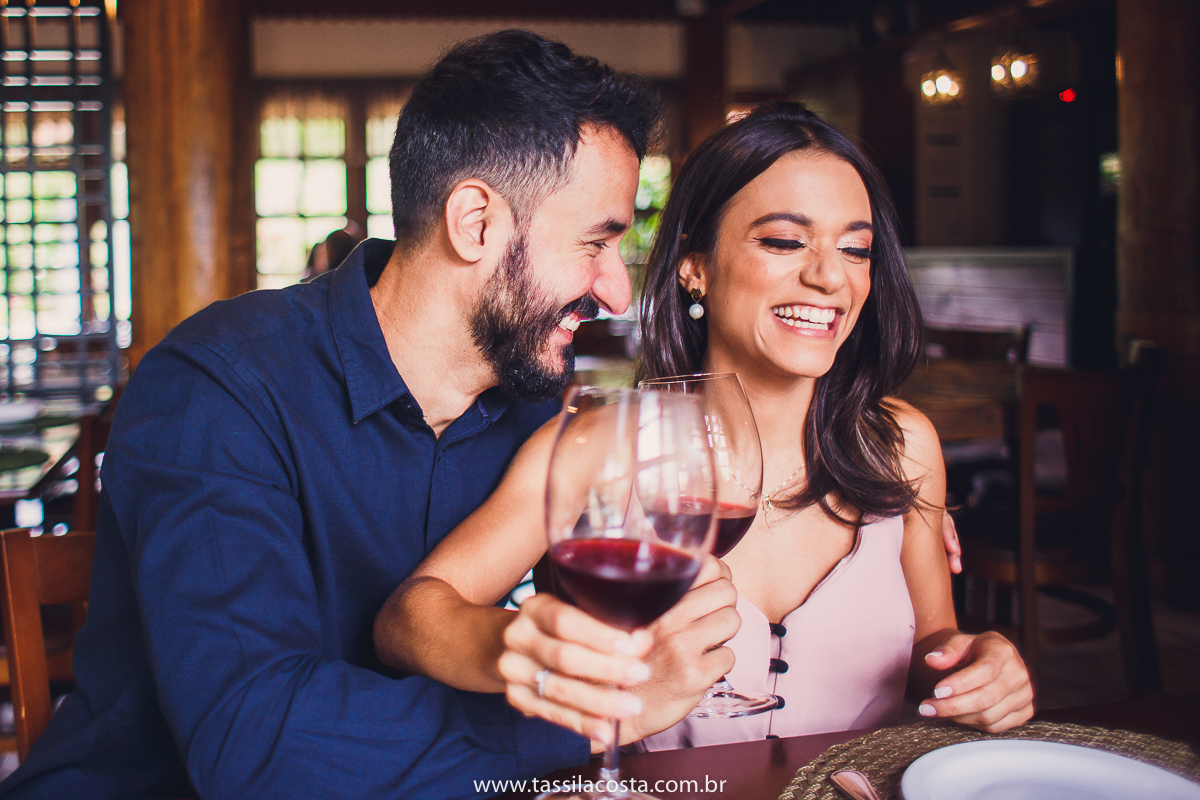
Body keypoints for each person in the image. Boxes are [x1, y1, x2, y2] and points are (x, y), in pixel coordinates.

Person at [0, 30, 690, 800]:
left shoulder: (534, 408)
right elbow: (252, 743)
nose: (617, 292)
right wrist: (586, 718)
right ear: (476, 223)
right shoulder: (219, 387)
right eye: (596, 243)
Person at [373, 102, 1033, 752]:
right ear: (696, 266)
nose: (830, 276)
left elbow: (929, 652)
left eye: (856, 250)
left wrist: (977, 665)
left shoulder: (903, 446)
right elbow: (408, 618)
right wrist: (537, 654)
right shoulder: (599, 446)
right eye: (784, 241)